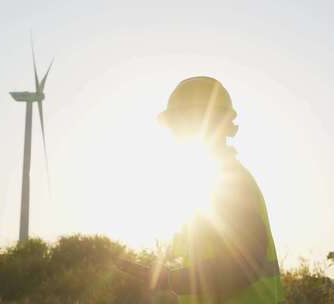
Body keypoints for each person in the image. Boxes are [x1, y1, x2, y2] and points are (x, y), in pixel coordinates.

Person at [117, 76, 284, 304]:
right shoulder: (205, 184)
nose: (175, 135)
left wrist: (168, 280)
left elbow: (244, 265)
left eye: (181, 125)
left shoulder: (229, 183)